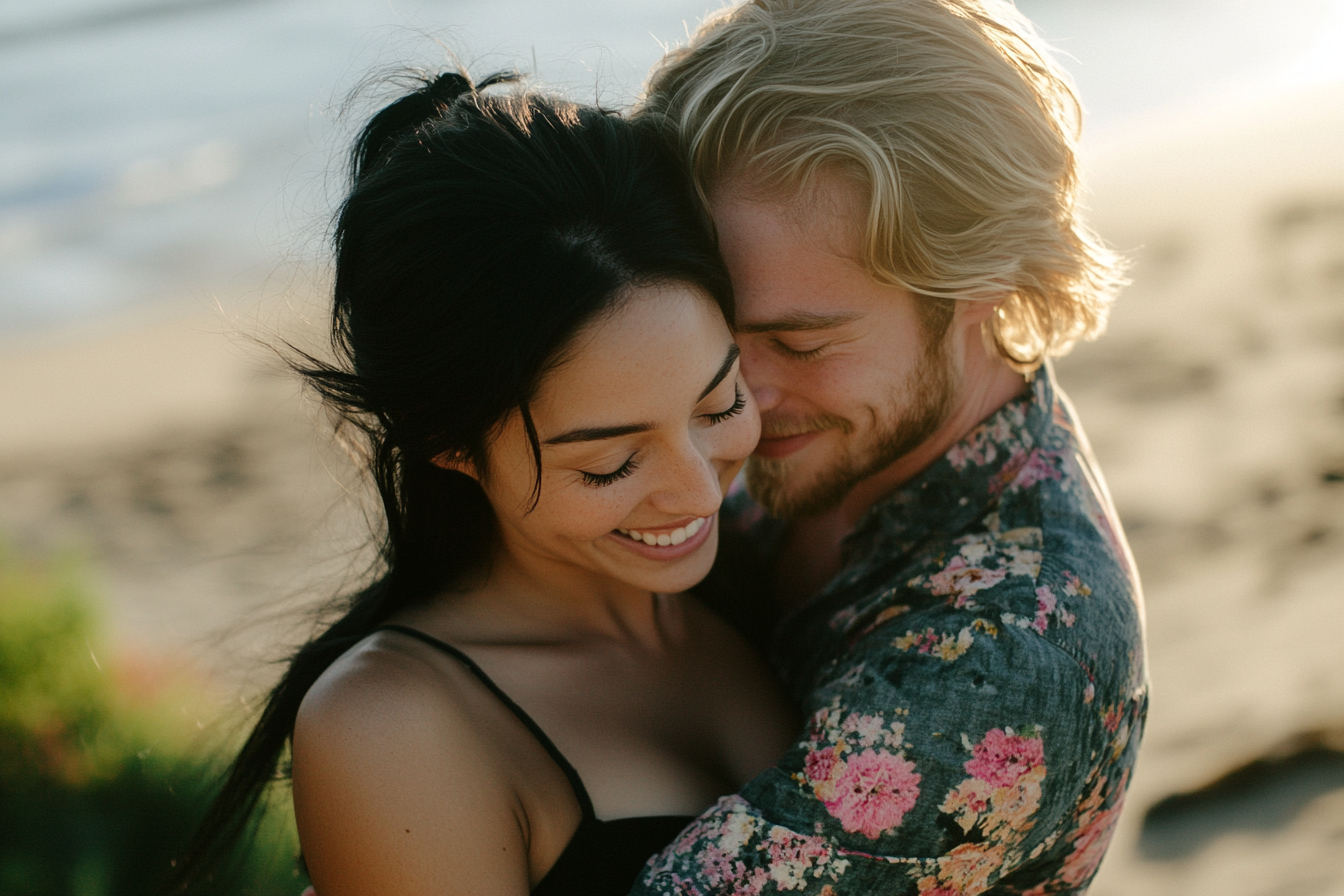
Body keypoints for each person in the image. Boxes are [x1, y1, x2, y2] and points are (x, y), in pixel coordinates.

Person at [174, 71, 797, 895]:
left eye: (719, 405)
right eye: (610, 462)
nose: (697, 492)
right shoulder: (397, 727)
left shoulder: (784, 567)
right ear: (451, 446)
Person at [625, 0, 1148, 892]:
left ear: (979, 278)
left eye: (802, 343)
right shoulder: (848, 434)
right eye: (715, 329)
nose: (737, 402)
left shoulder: (1003, 660)